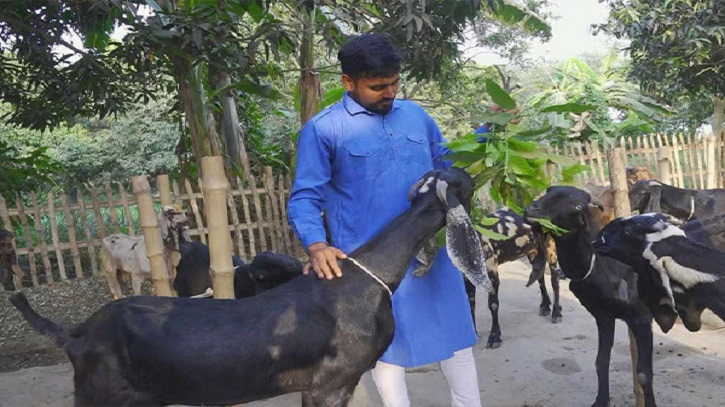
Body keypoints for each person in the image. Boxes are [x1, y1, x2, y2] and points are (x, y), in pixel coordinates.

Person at [288, 33, 481, 407]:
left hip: (429, 254)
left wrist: (488, 138)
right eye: (378, 86)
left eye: (394, 82)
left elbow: (447, 162)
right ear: (348, 82)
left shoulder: (416, 116)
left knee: (456, 335)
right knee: (384, 347)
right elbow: (305, 197)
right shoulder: (323, 129)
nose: (389, 92)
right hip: (370, 264)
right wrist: (316, 244)